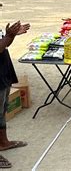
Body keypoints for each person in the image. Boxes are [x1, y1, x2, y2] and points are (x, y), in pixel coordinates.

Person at [0, 19, 30, 168]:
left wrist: (10, 36)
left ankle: (3, 143)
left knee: (2, 110)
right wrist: (7, 36)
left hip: (2, 73)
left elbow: (3, 46)